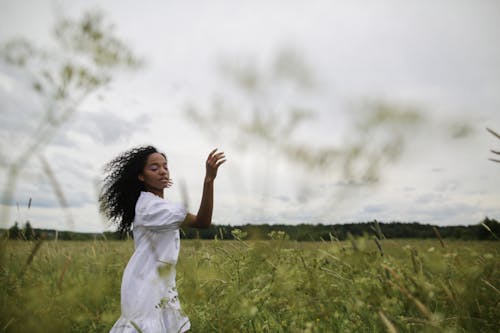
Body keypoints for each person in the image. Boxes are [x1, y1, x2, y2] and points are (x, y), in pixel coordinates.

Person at [99, 146, 226, 333]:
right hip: (146, 287)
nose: (162, 171)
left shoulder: (156, 206)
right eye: (154, 168)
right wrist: (209, 179)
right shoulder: (151, 208)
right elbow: (202, 221)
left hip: (159, 284)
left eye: (165, 166)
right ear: (141, 177)